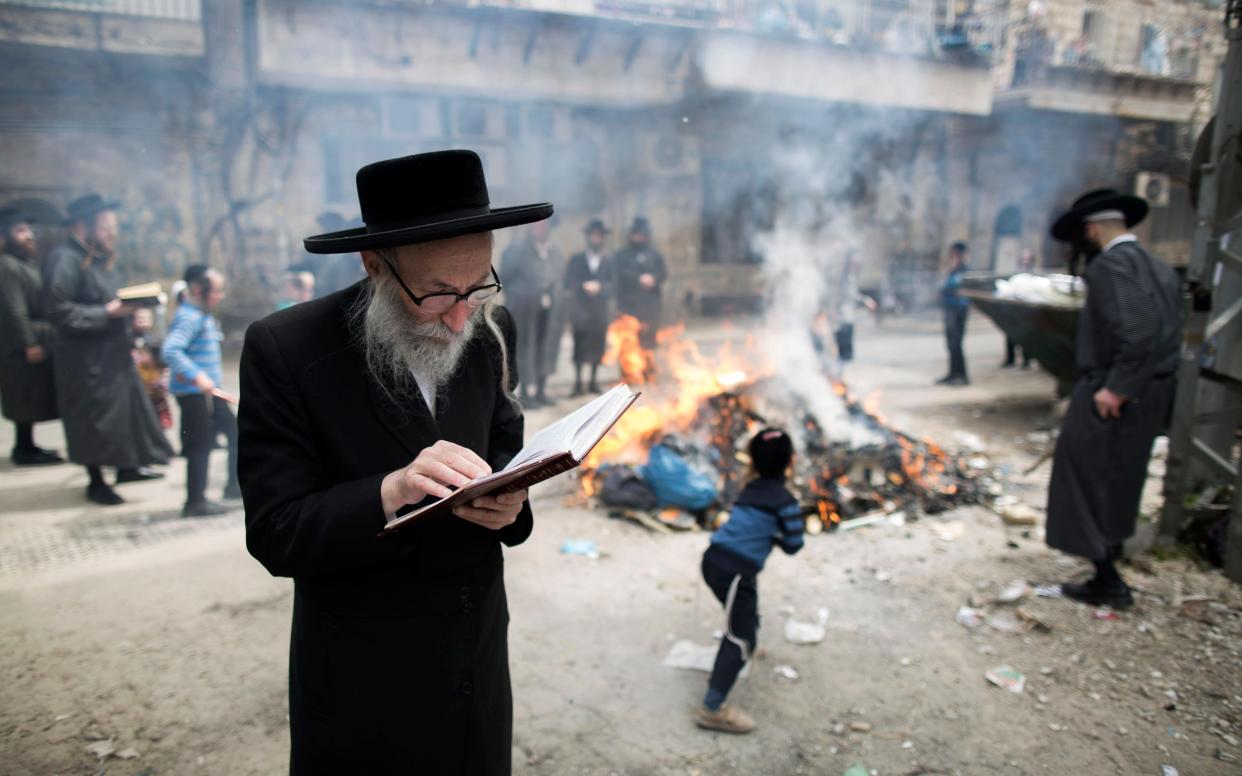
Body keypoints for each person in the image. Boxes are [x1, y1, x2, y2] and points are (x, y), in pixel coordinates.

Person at [238, 150, 545, 774]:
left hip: (476, 649)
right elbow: (275, 532)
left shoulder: (490, 327)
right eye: (435, 295)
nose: (461, 315)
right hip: (364, 674)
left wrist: (512, 500)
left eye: (477, 285)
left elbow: (506, 446)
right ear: (375, 264)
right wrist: (390, 490)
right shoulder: (287, 349)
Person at [1045, 189, 1181, 609]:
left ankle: (1107, 580)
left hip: (1117, 387)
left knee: (1083, 477)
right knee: (1121, 476)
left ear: (1090, 230)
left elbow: (1138, 330)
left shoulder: (1111, 265)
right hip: (1152, 390)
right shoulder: (1157, 266)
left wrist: (1116, 387)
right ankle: (1112, 553)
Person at [43, 194, 172, 505]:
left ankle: (128, 466)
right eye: (104, 227)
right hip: (84, 361)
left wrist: (133, 319)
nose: (111, 234)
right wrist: (107, 313)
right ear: (81, 226)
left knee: (122, 415)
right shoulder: (65, 259)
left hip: (112, 355)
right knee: (94, 421)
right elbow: (57, 310)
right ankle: (96, 481)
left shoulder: (99, 259)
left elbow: (114, 303)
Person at [695, 427, 804, 734]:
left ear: (753, 462)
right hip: (733, 571)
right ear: (790, 461)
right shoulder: (786, 502)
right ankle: (711, 709)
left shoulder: (749, 490)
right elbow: (794, 545)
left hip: (717, 560)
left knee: (744, 608)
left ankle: (744, 637)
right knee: (740, 637)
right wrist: (778, 534)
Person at [162, 265, 239, 517]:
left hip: (210, 393)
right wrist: (198, 377)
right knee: (199, 445)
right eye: (217, 290)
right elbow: (171, 350)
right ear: (198, 289)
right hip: (195, 393)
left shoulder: (201, 314)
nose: (220, 295)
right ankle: (195, 502)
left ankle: (234, 487)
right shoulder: (189, 316)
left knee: (236, 431)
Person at [0, 206, 62, 465]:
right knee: (23, 395)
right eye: (20, 231)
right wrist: (29, 342)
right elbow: (15, 309)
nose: (28, 236)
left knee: (31, 394)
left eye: (29, 230)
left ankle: (29, 445)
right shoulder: (7, 265)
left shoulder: (24, 263)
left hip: (35, 337)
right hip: (19, 344)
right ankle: (24, 449)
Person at [500, 218, 562, 407]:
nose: (540, 229)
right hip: (524, 309)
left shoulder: (554, 252)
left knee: (545, 346)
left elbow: (560, 277)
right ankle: (527, 393)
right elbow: (505, 278)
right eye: (536, 226)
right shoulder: (516, 251)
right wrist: (521, 295)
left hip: (548, 307)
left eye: (543, 226)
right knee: (525, 347)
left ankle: (541, 390)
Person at [564, 218, 613, 396]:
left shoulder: (608, 261)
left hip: (599, 311)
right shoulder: (576, 260)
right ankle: (578, 383)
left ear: (603, 238)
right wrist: (582, 286)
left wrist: (601, 287)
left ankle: (593, 381)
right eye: (593, 236)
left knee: (597, 345)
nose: (596, 239)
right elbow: (569, 281)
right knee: (580, 346)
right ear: (588, 237)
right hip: (580, 310)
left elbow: (614, 284)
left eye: (599, 236)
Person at [612, 216, 667, 351]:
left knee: (648, 343)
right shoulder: (621, 255)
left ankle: (648, 371)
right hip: (629, 306)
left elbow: (663, 273)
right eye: (636, 235)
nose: (639, 238)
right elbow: (618, 274)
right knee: (629, 343)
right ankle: (628, 372)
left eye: (642, 235)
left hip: (650, 307)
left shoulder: (655, 255)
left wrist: (653, 279)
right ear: (631, 236)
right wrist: (638, 279)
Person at [936, 240, 971, 386]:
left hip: (959, 309)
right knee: (950, 344)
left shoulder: (964, 270)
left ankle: (962, 376)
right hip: (949, 308)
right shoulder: (952, 269)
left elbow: (955, 287)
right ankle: (952, 374)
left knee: (956, 343)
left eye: (954, 252)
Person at [1002, 249, 1037, 368]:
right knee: (1010, 335)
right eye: (1023, 259)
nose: (1024, 261)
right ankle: (1010, 359)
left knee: (1025, 336)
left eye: (1027, 259)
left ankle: (1026, 359)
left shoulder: (1033, 276)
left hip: (1027, 311)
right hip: (1014, 309)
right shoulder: (1016, 275)